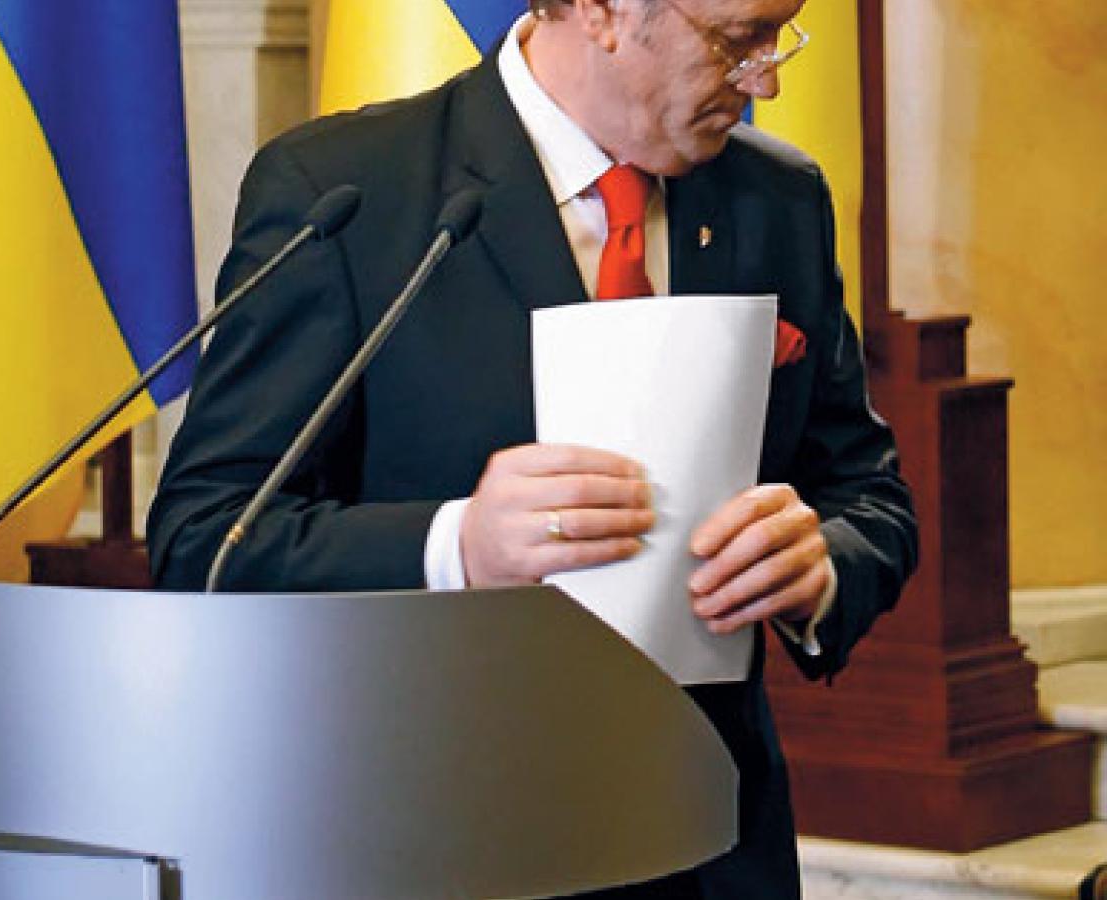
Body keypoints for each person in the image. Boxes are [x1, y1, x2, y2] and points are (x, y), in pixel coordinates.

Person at [147, 0, 917, 895]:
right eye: (737, 39)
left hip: (707, 842)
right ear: (598, 11)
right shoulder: (348, 190)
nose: (768, 80)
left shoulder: (777, 197)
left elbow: (869, 497)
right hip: (436, 841)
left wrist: (821, 565)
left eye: (779, 34)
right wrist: (456, 546)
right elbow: (205, 538)